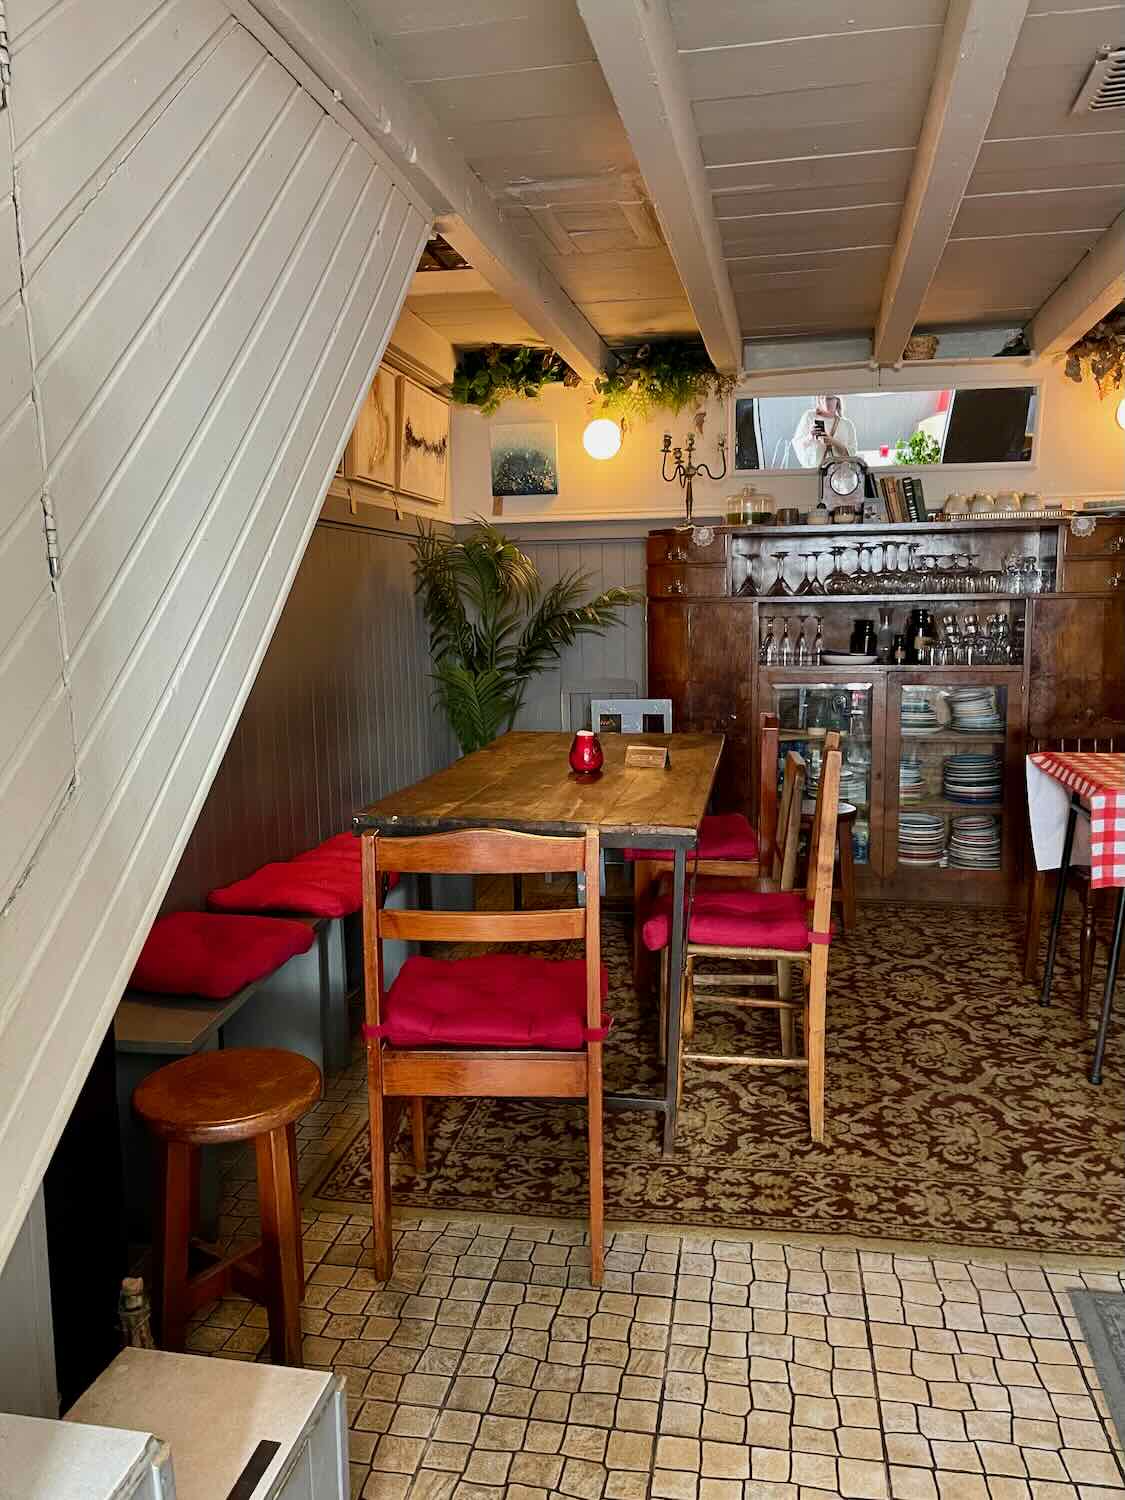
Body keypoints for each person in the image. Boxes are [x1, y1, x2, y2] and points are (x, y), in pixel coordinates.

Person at [791, 393, 857, 469]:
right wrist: (810, 437)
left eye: (829, 399)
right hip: (814, 471)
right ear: (818, 400)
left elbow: (851, 455)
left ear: (837, 400)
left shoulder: (847, 424)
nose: (826, 402)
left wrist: (832, 441)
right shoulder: (810, 416)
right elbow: (797, 444)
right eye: (822, 398)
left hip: (839, 473)